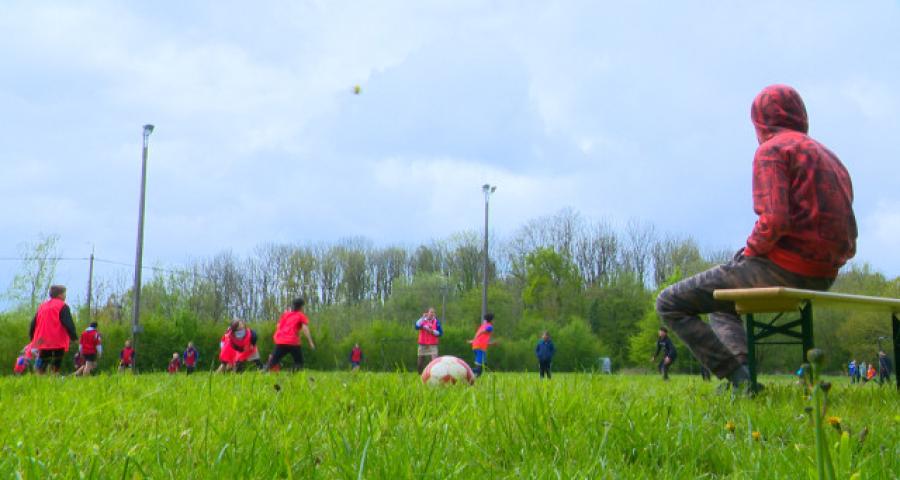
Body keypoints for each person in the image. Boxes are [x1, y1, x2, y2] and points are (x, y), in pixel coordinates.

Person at [655, 85, 857, 393]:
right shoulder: (831, 158)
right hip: (825, 275)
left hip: (784, 269)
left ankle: (740, 381)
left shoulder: (773, 151)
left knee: (669, 302)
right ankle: (744, 375)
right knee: (723, 302)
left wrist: (750, 251)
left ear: (760, 120)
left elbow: (774, 220)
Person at [29, 285, 78, 375]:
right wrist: (74, 337)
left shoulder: (42, 306)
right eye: (64, 294)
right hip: (57, 339)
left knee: (43, 361)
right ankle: (54, 376)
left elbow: (33, 324)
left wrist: (32, 339)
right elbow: (68, 323)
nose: (65, 296)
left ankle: (39, 377)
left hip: (41, 339)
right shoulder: (62, 306)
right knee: (56, 362)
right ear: (60, 295)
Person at [265, 298, 315, 371]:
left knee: (273, 361)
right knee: (299, 362)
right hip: (293, 341)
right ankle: (290, 372)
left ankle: (263, 371)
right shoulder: (301, 315)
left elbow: (278, 326)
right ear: (301, 307)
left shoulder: (286, 314)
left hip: (281, 340)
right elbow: (305, 329)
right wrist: (310, 342)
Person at [414, 307, 442, 374]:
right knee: (420, 362)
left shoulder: (436, 322)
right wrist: (422, 318)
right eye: (431, 312)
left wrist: (432, 331)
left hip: (433, 344)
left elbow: (440, 333)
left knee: (435, 361)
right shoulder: (422, 320)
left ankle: (435, 374)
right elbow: (416, 326)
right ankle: (420, 375)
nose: (432, 314)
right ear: (427, 313)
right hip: (422, 344)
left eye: (433, 312)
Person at [467, 313, 494, 377]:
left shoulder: (482, 326)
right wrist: (474, 338)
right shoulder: (490, 326)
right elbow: (481, 333)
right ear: (491, 320)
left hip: (477, 347)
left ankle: (475, 378)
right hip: (480, 348)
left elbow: (481, 338)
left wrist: (473, 341)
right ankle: (465, 370)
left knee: (482, 367)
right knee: (479, 368)